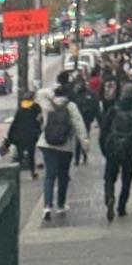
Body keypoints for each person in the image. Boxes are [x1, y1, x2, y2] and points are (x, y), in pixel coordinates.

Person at [35, 78, 88, 222]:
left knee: (49, 176)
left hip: (47, 144)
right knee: (63, 175)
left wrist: (52, 93)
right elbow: (79, 124)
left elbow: (40, 93)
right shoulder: (70, 106)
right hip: (65, 147)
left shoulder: (47, 104)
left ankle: (47, 206)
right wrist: (84, 142)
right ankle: (60, 204)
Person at [99, 83, 132, 222]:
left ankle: (109, 197)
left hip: (113, 149)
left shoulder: (113, 110)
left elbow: (103, 130)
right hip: (130, 149)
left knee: (109, 178)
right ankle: (121, 207)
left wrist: (104, 149)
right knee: (127, 179)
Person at [0, 90, 43, 178]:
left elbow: (15, 122)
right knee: (31, 154)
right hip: (31, 135)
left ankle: (16, 175)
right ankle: (32, 173)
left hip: (20, 135)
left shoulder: (21, 107)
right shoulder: (36, 107)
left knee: (20, 155)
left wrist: (10, 135)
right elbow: (39, 120)